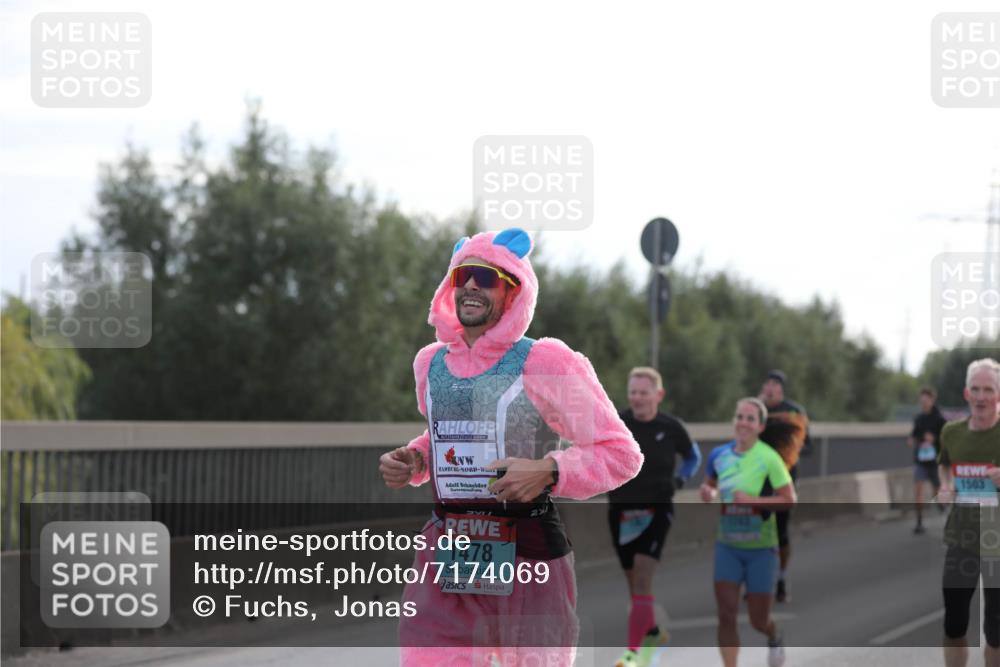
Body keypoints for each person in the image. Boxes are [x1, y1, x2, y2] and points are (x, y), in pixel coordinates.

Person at [377, 228, 643, 667]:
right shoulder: (431, 364)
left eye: (487, 277)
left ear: (513, 290)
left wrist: (549, 470)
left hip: (527, 551)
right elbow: (446, 433)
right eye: (463, 274)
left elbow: (619, 452)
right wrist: (417, 458)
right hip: (449, 550)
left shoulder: (546, 362)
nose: (471, 286)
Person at [610, 367, 701, 667]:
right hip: (621, 511)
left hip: (657, 510)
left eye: (643, 392)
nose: (637, 398)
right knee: (633, 582)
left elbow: (693, 456)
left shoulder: (671, 427)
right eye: (633, 392)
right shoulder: (618, 423)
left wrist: (681, 480)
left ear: (658, 395)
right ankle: (652, 631)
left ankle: (633, 654)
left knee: (642, 580)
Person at [700, 398, 797, 667]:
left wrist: (753, 501)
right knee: (726, 614)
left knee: (758, 620)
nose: (743, 422)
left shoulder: (769, 458)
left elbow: (789, 499)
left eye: (750, 419)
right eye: (739, 416)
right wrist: (708, 492)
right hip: (727, 546)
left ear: (760, 426)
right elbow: (711, 486)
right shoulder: (719, 455)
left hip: (761, 550)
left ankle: (774, 634)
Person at [936, 358, 1000, 667]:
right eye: (976, 389)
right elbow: (945, 463)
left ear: (998, 395)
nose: (981, 396)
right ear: (966, 393)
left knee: (996, 632)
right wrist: (946, 485)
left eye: (988, 389)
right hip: (961, 538)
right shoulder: (951, 432)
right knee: (954, 623)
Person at [759, 369, 810, 603]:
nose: (770, 388)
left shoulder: (794, 411)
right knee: (756, 530)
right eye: (767, 383)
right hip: (758, 478)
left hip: (784, 478)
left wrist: (789, 452)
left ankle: (781, 577)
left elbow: (808, 446)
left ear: (781, 388)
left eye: (775, 384)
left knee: (780, 531)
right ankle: (756, 579)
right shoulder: (755, 410)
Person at [909, 386, 947, 534]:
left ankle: (942, 507)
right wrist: (913, 440)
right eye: (922, 400)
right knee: (918, 490)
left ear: (932, 400)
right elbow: (913, 435)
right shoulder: (918, 418)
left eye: (926, 400)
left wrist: (934, 439)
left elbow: (946, 438)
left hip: (935, 462)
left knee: (935, 492)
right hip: (921, 461)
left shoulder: (939, 419)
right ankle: (919, 522)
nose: (924, 403)